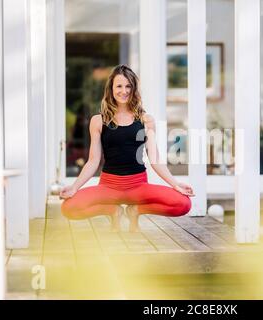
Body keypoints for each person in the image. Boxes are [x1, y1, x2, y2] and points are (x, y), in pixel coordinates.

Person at [60, 64, 194, 232]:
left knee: (183, 204)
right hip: (108, 186)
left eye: (128, 86)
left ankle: (135, 210)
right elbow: (93, 161)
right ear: (111, 89)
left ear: (134, 89)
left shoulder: (146, 120)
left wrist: (176, 184)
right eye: (119, 86)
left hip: (138, 186)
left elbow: (155, 160)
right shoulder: (98, 121)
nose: (124, 91)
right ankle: (113, 210)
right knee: (68, 208)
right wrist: (74, 187)